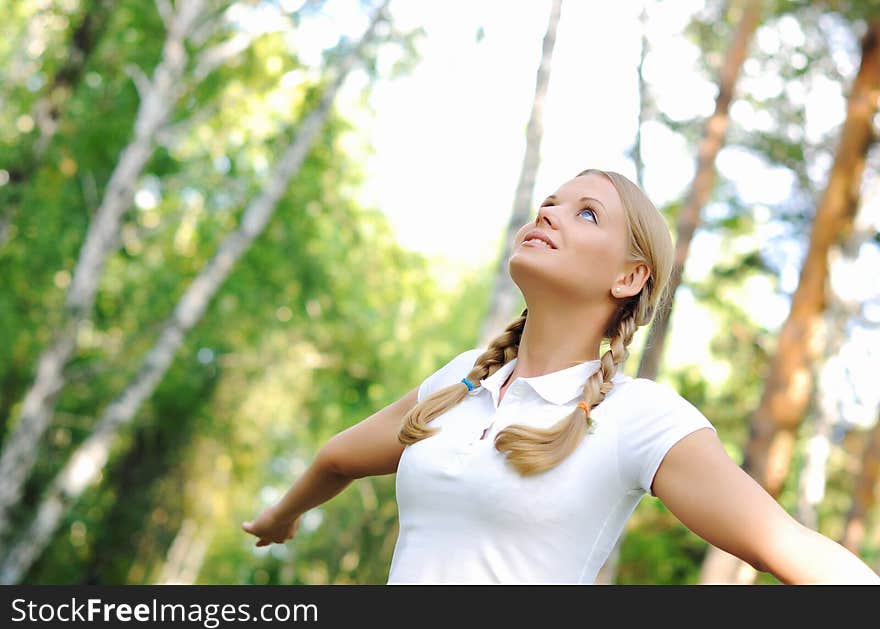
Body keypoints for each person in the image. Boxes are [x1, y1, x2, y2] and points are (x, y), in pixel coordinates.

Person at [242, 168, 880, 585]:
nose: (548, 212)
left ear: (628, 278)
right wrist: (281, 516)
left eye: (586, 214)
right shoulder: (463, 381)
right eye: (549, 203)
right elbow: (338, 458)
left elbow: (786, 546)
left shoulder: (639, 417)